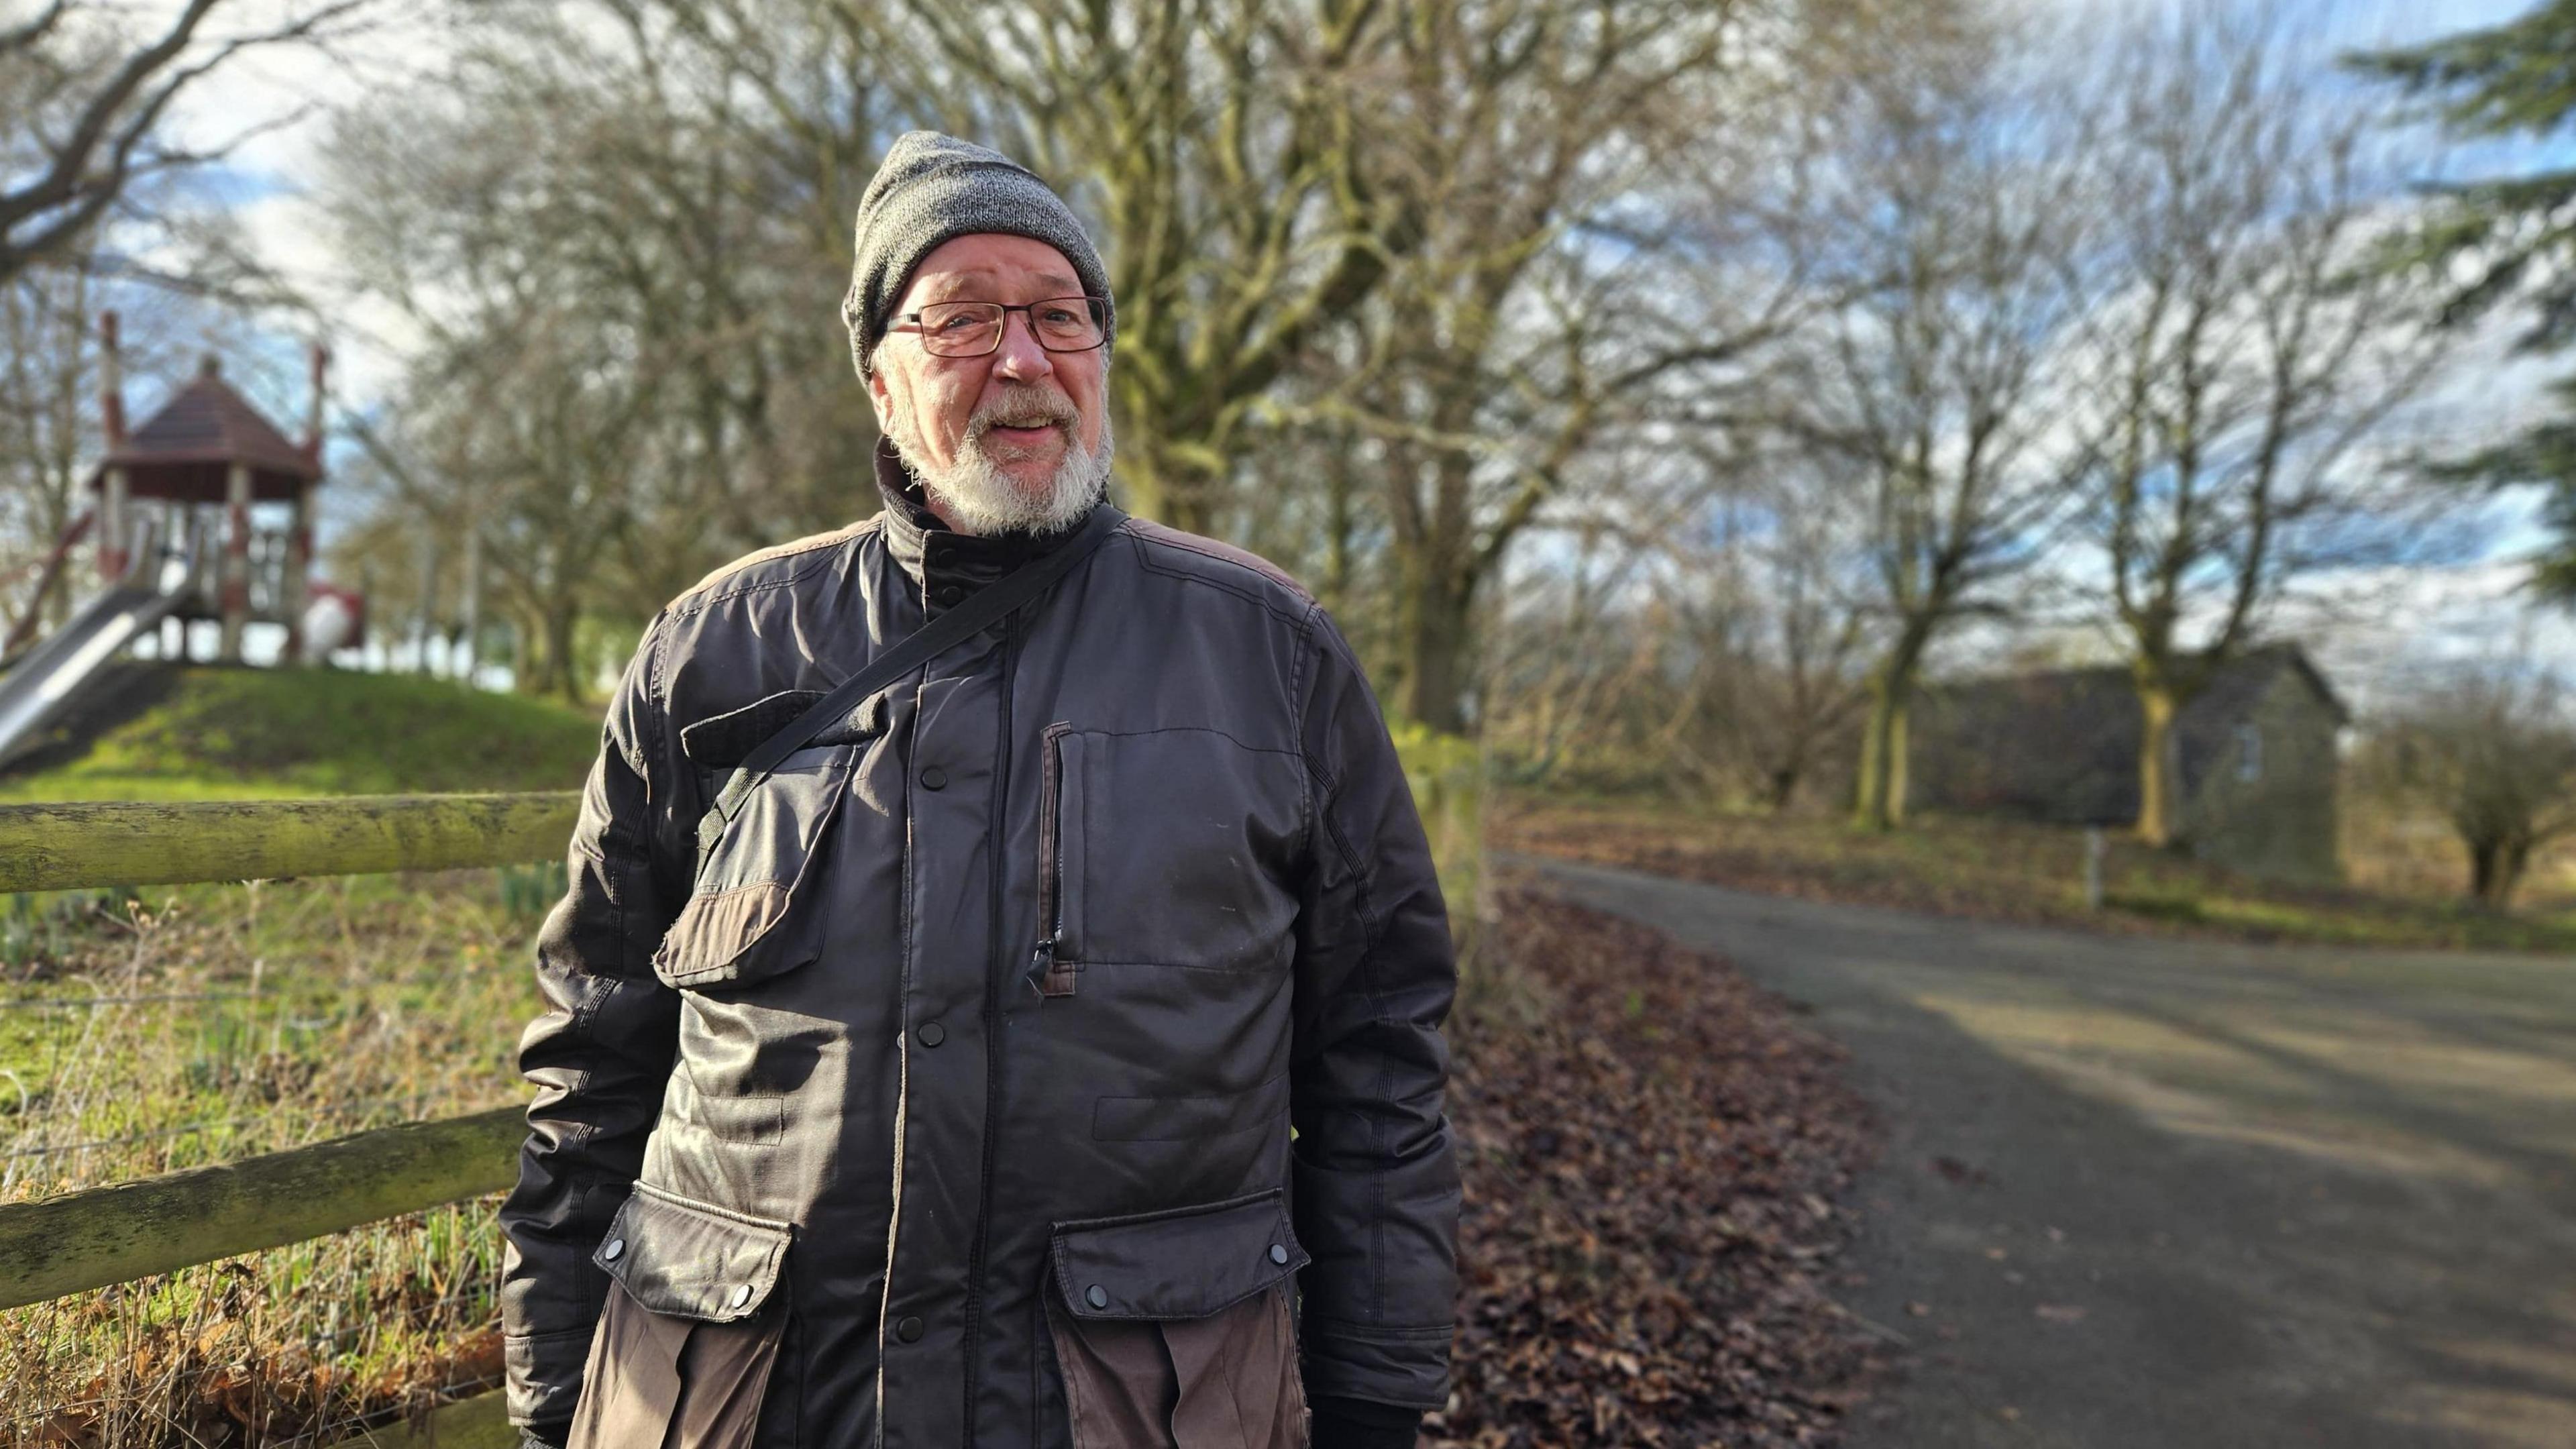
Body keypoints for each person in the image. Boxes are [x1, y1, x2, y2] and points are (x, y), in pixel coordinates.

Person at [499, 130, 1460, 1449]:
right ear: (881, 383)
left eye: (1057, 316)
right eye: (959, 319)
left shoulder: (1268, 657)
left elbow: (1382, 1055)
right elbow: (591, 1059)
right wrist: (556, 1397)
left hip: (1146, 1411)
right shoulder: (714, 654)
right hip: (740, 1406)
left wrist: (1375, 1403)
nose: (1023, 361)